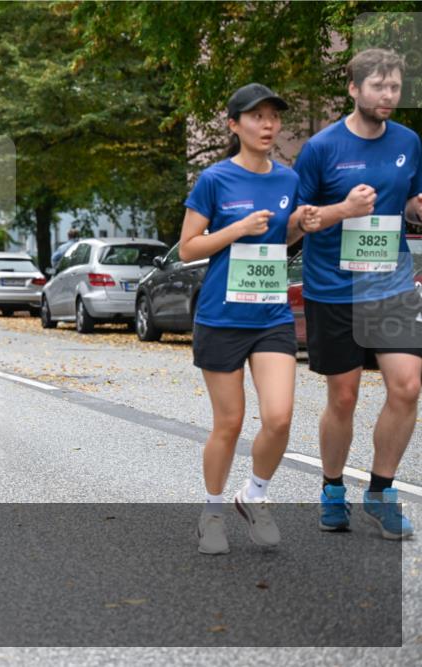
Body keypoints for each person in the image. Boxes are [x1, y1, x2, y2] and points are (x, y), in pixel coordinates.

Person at [180, 83, 320, 555]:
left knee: (279, 418)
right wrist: (236, 228)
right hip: (221, 317)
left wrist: (300, 225)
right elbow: (188, 248)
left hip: (271, 315)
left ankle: (254, 494)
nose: (268, 125)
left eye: (273, 117)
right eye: (257, 117)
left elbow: (280, 241)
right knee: (230, 422)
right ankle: (212, 513)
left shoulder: (287, 180)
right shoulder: (214, 179)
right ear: (234, 124)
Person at [294, 48, 421, 540]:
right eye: (378, 86)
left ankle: (381, 492)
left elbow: (409, 200)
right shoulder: (321, 148)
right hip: (334, 289)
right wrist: (343, 210)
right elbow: (295, 226)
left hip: (390, 284)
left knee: (407, 386)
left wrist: (417, 207)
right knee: (343, 397)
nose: (388, 95)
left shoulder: (409, 142)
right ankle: (332, 488)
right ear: (353, 89)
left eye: (395, 87)